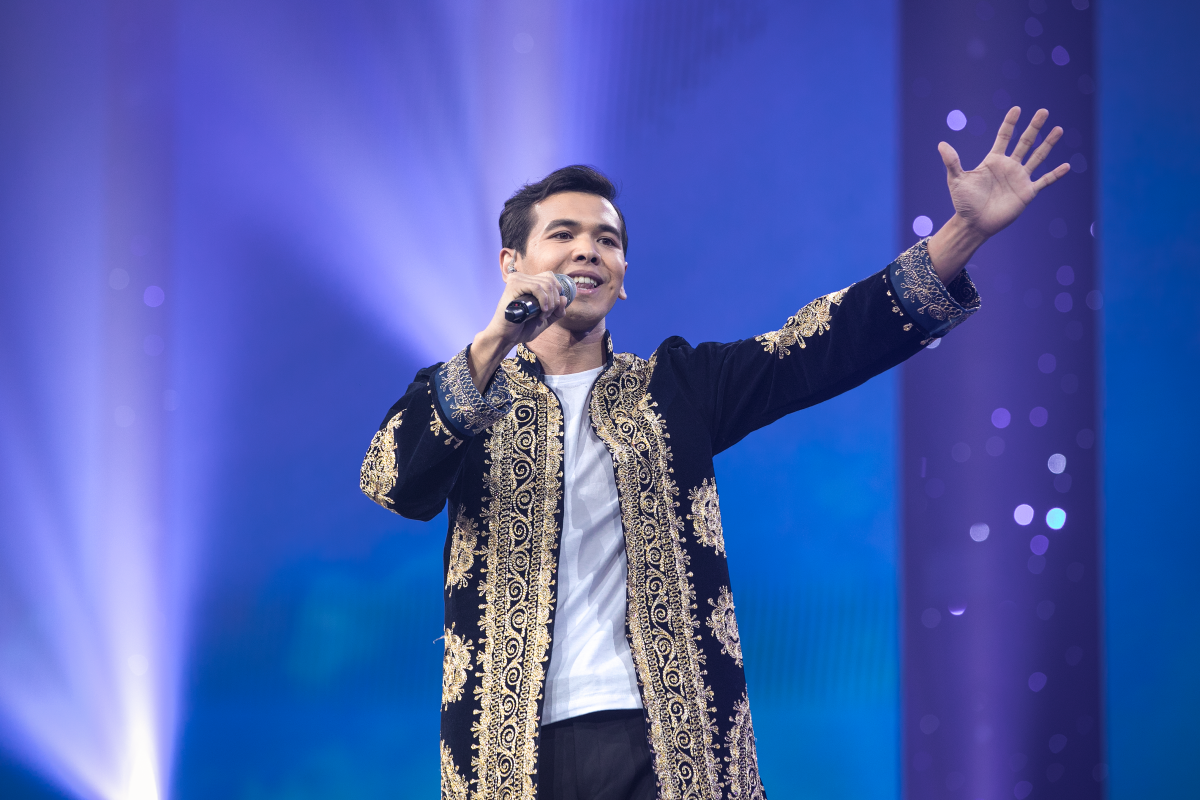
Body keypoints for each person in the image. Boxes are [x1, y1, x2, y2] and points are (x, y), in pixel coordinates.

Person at [360, 107, 1070, 800]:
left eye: (606, 240)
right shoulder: (462, 397)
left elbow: (820, 345)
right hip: (508, 755)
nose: (587, 251)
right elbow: (393, 482)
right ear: (512, 264)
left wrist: (964, 233)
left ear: (623, 275)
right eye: (563, 235)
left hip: (674, 744)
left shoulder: (676, 388)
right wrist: (495, 338)